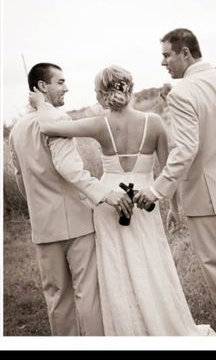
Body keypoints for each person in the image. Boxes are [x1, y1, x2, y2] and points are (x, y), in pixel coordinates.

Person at [29, 64, 216, 336]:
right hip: (146, 201)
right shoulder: (153, 122)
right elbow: (169, 170)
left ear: (103, 93)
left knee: (116, 269)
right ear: (128, 87)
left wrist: (40, 103)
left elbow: (47, 127)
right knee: (154, 265)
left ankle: (126, 332)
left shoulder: (99, 123)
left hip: (109, 203)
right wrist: (173, 208)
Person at [9, 62, 132, 336]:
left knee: (56, 299)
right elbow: (71, 169)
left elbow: (20, 179)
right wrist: (104, 195)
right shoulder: (58, 121)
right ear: (42, 86)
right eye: (61, 82)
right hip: (76, 222)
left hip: (42, 227)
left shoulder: (16, 130)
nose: (66, 88)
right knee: (87, 294)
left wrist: (37, 203)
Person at [134, 28, 216, 336]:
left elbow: (185, 149)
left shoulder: (182, 93)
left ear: (185, 53)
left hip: (208, 197)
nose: (163, 63)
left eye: (167, 55)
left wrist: (156, 190)